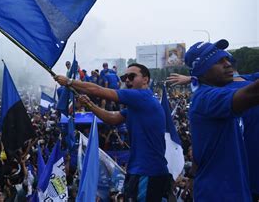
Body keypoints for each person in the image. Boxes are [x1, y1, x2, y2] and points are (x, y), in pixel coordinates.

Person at [54, 63, 170, 201]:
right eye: (124, 77)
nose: (127, 80)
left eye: (132, 76)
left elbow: (98, 90)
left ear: (146, 80)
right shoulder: (138, 105)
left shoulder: (142, 96)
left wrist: (69, 82)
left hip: (148, 171)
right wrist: (90, 105)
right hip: (139, 170)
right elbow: (112, 118)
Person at [183, 39, 259, 201]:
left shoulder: (210, 95)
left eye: (226, 58)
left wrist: (192, 176)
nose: (228, 64)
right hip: (220, 194)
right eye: (218, 61)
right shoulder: (205, 98)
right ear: (201, 69)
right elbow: (252, 94)